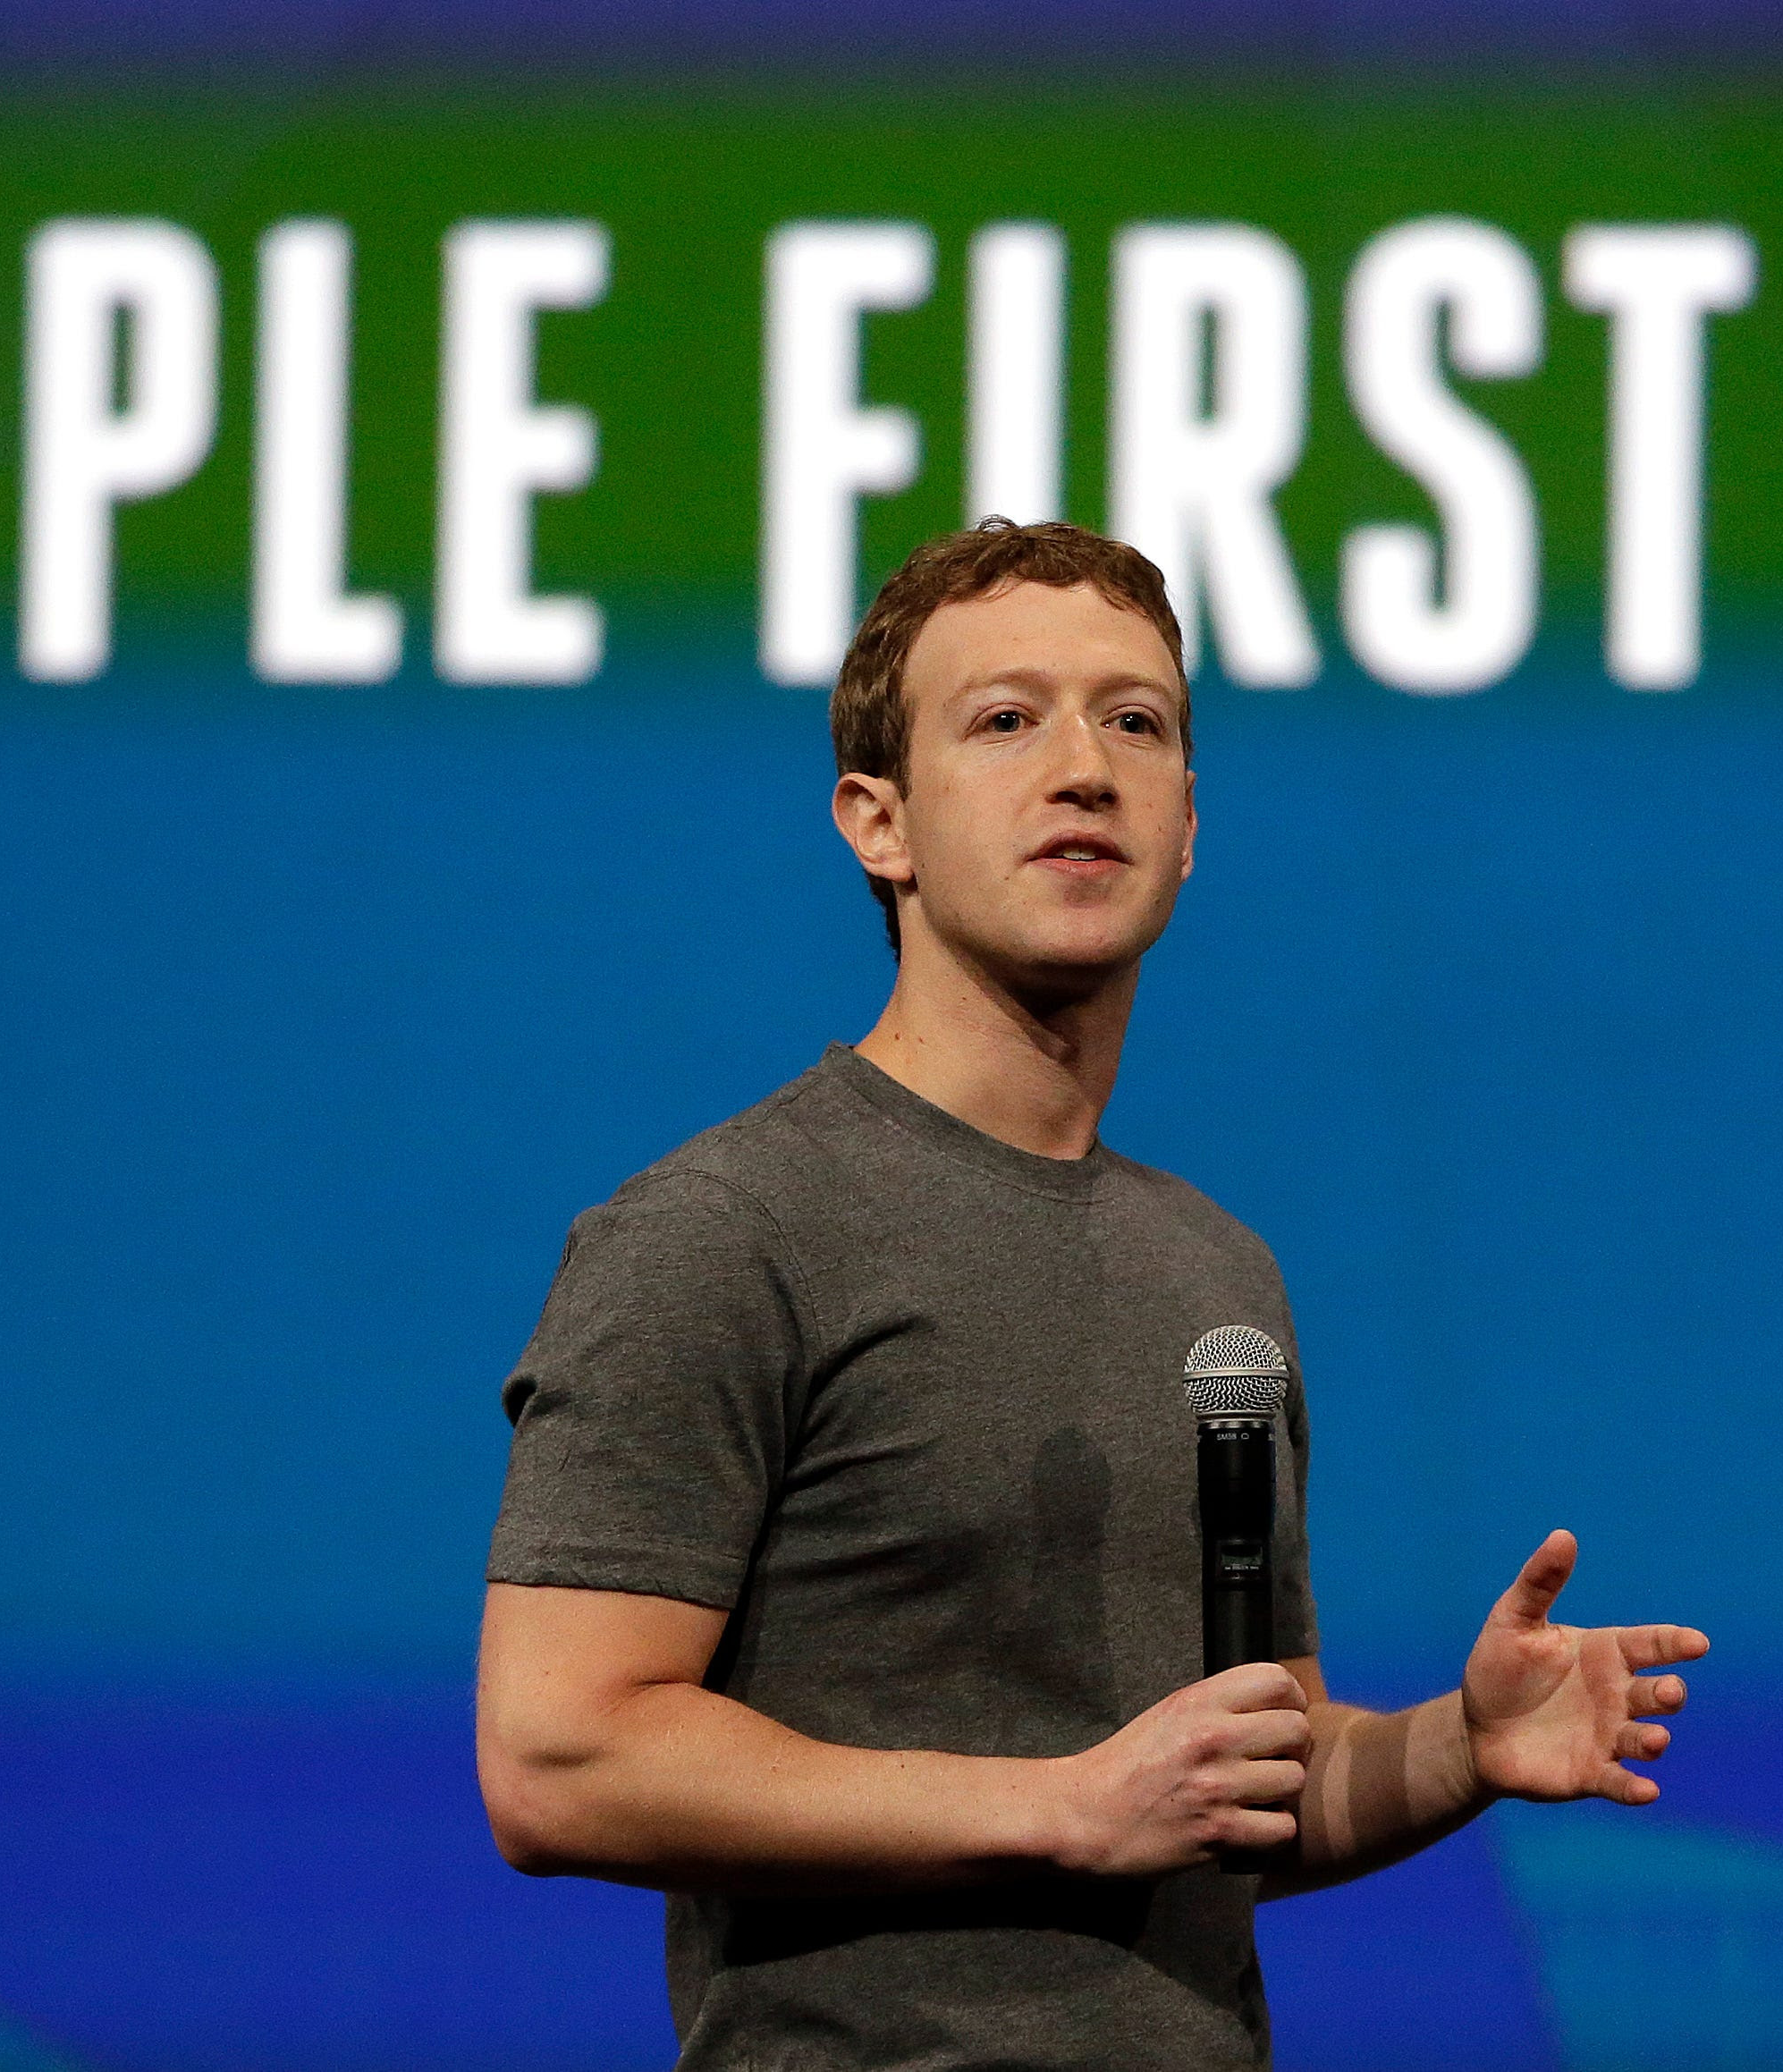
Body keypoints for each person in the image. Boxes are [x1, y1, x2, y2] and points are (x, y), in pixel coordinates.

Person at [473, 520, 1708, 2072]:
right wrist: (1063, 1806)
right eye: (1004, 719)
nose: (1083, 767)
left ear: (1187, 824)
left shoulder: (1216, 1273)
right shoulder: (719, 1232)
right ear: (880, 823)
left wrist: (1460, 1746)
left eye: (1135, 721)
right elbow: (557, 1755)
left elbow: (1237, 1787)